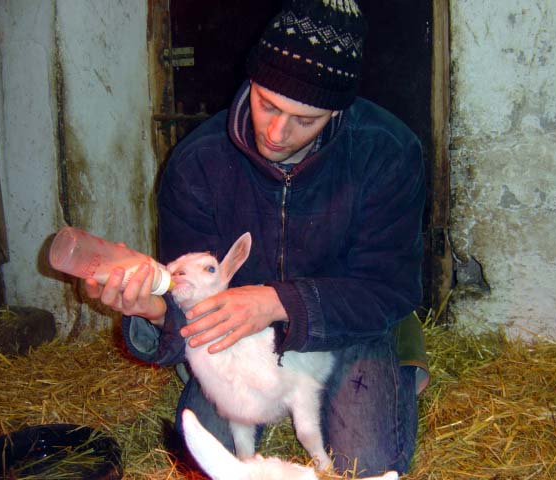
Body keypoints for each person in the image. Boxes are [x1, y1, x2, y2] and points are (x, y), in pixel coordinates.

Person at [86, 0, 429, 475]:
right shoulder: (198, 164)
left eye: (304, 120)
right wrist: (149, 309)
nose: (275, 131)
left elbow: (389, 286)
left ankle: (400, 360)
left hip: (345, 324)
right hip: (234, 338)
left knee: (366, 465)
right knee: (206, 459)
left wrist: (275, 301)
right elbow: (182, 308)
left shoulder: (386, 154)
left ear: (336, 112)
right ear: (250, 80)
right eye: (267, 103)